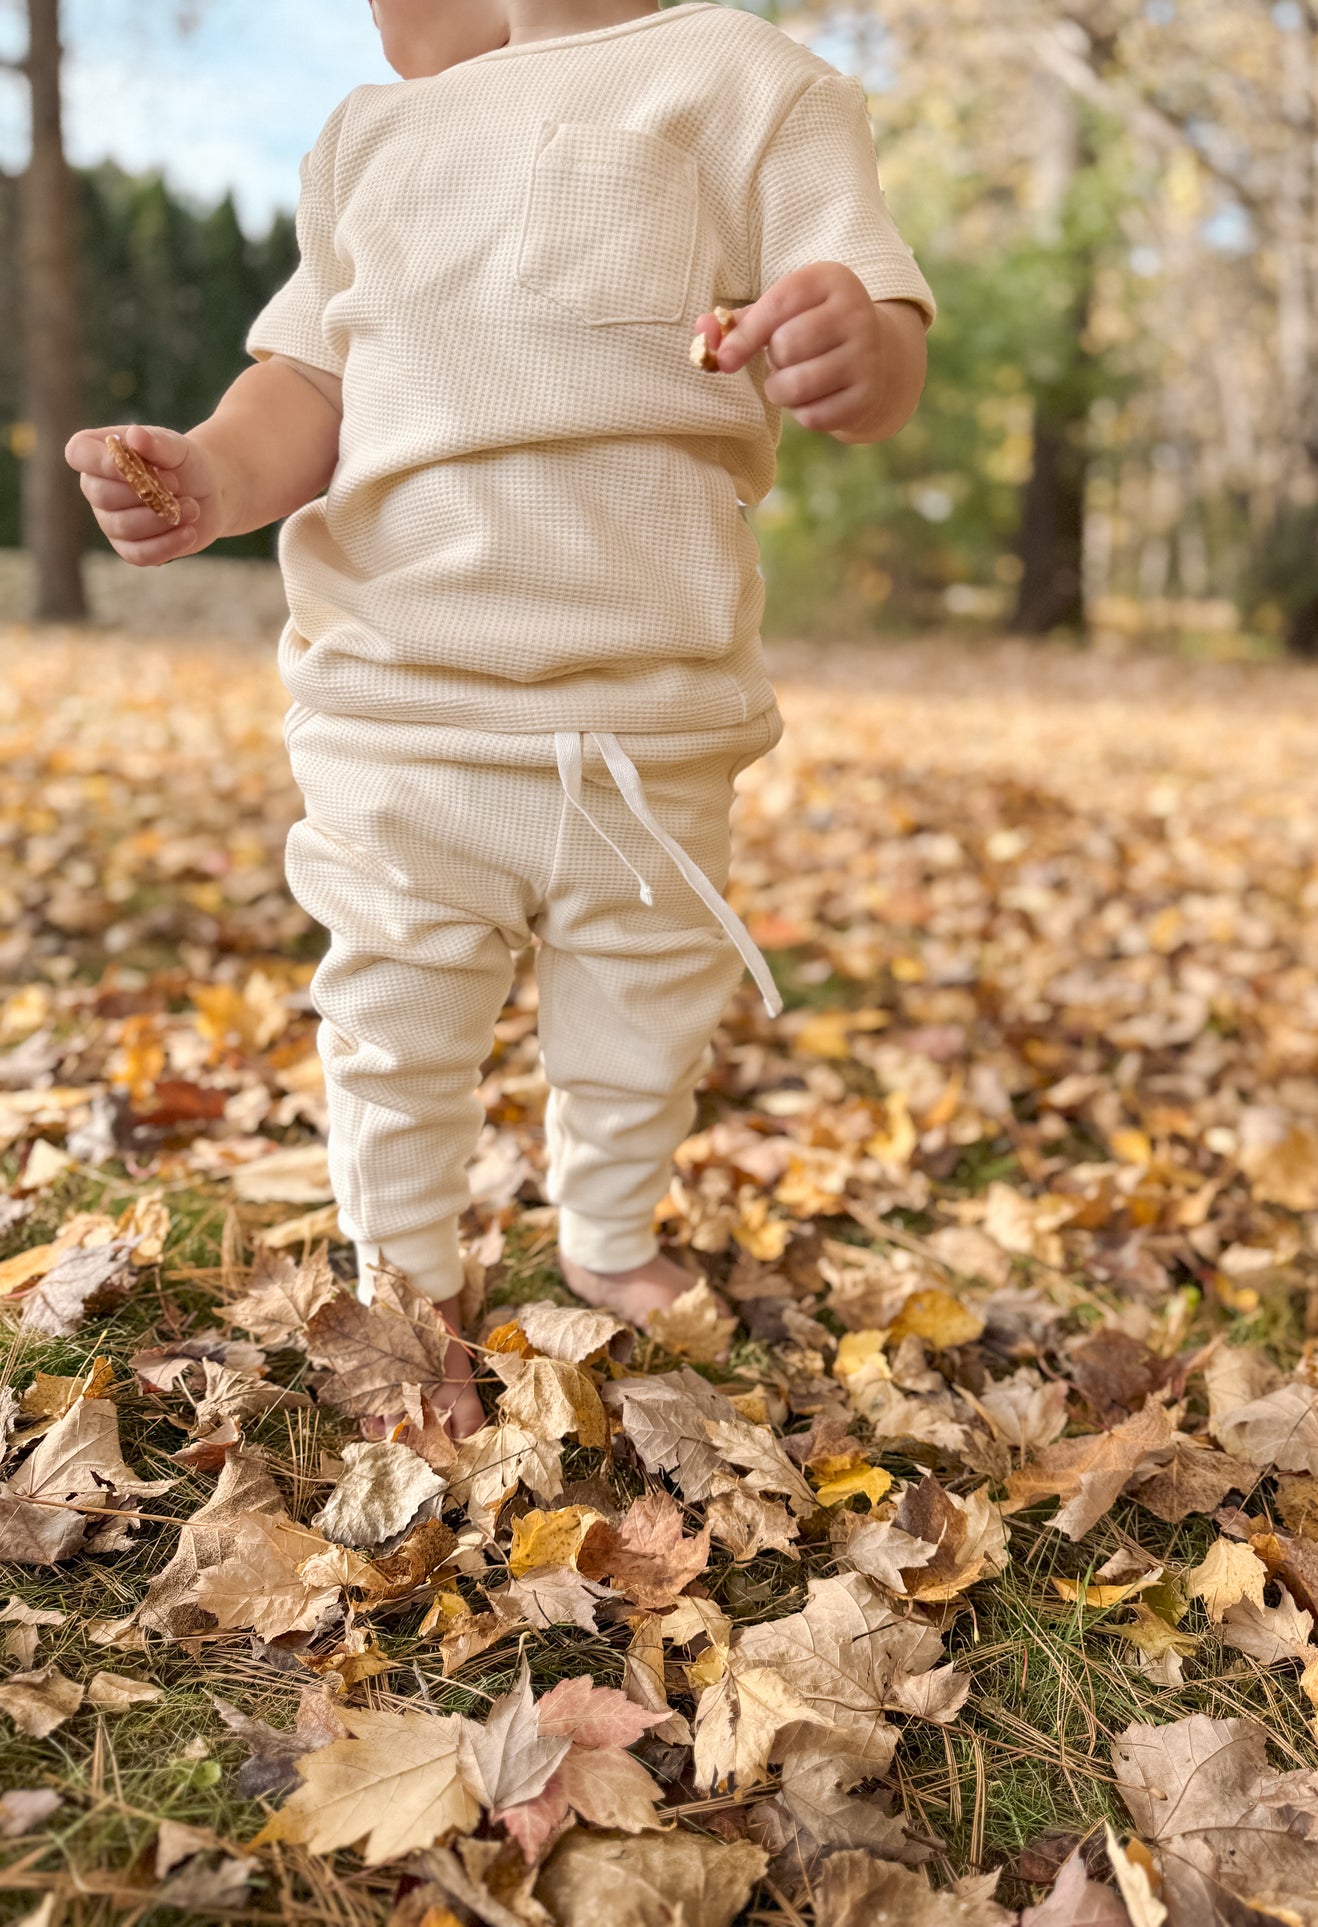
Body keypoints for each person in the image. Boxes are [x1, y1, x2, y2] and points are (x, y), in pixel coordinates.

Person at [66, 0, 936, 1437]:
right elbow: (313, 380)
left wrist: (859, 344)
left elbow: (875, 313)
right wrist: (216, 472)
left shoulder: (746, 79)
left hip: (651, 717)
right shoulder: (374, 133)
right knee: (394, 1014)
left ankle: (606, 1230)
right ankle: (406, 1285)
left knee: (644, 1010)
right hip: (398, 697)